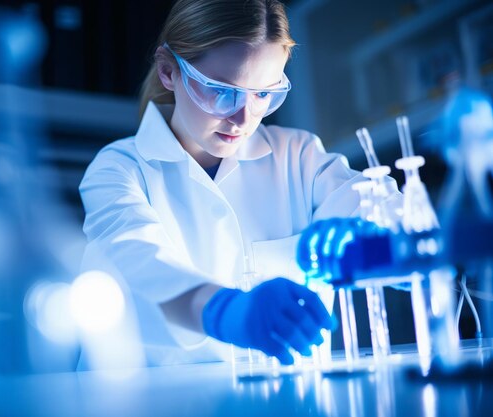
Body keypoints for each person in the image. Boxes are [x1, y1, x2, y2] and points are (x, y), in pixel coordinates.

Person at [78, 0, 399, 367]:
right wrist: (227, 313)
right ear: (169, 71)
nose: (243, 119)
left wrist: (383, 244)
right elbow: (141, 264)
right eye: (222, 91)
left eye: (263, 94)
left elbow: (392, 215)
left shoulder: (298, 155)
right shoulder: (120, 169)